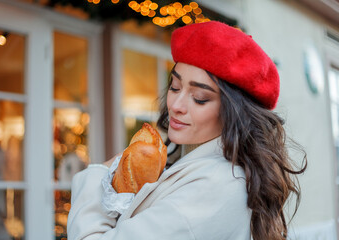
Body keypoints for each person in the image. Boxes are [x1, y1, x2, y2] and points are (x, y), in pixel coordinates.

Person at [67, 21, 307, 240]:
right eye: (175, 86)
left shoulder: (214, 187)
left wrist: (99, 174)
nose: (176, 106)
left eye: (200, 98)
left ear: (235, 114)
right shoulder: (189, 165)